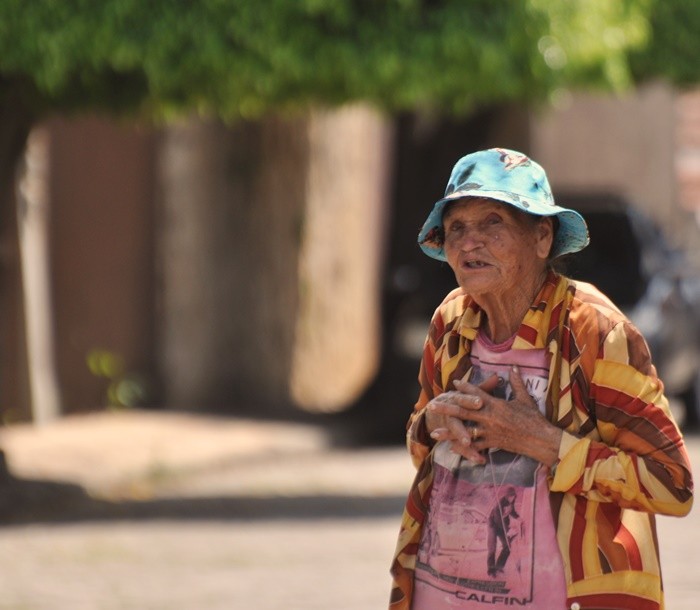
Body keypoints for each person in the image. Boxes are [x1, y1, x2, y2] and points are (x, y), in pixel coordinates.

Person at [388, 148, 694, 610]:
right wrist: (433, 421)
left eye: (492, 222)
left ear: (542, 238)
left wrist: (546, 443)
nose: (470, 242)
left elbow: (673, 484)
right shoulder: (450, 322)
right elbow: (422, 449)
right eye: (456, 228)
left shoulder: (597, 333)